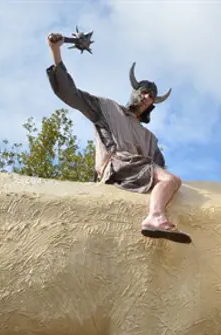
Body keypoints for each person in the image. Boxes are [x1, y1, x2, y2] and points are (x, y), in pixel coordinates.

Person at [45, 32, 191, 244]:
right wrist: (55, 51)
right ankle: (155, 217)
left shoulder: (149, 138)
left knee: (167, 179)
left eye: (151, 97)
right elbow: (71, 94)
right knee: (171, 180)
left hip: (137, 170)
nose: (147, 98)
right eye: (143, 92)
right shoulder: (106, 107)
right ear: (135, 92)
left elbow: (159, 165)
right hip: (118, 165)